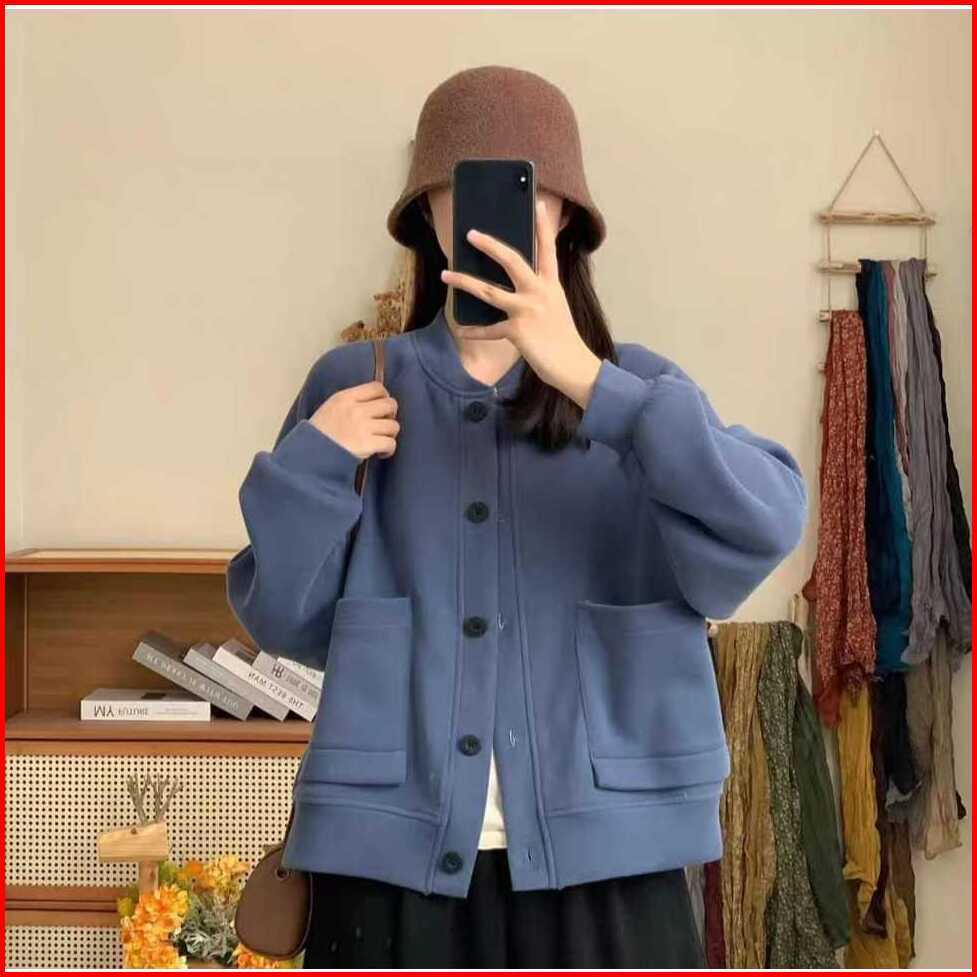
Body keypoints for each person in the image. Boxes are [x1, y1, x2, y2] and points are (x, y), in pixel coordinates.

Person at [226, 64, 808, 969]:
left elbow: (762, 527)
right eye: (457, 187)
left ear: (564, 213)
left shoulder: (636, 390)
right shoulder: (353, 384)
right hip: (386, 859)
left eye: (520, 188)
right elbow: (283, 620)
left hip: (612, 857)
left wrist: (592, 385)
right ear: (424, 212)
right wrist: (316, 463)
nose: (484, 215)